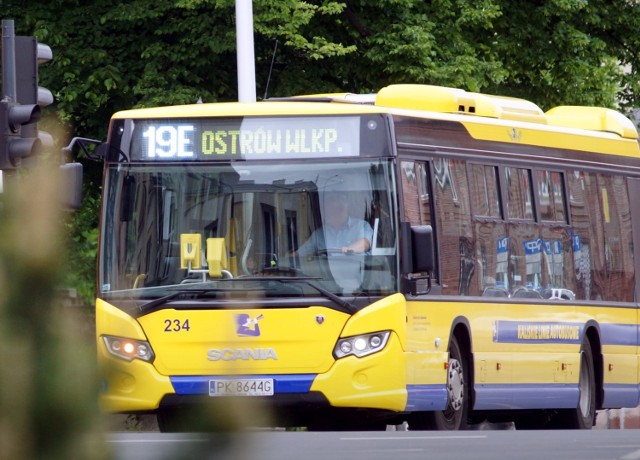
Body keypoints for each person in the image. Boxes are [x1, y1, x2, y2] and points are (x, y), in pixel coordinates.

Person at [295, 193, 373, 256]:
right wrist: (286, 259)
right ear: (325, 209)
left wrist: (349, 249)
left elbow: (365, 244)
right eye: (333, 204)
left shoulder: (361, 226)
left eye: (342, 201)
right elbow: (300, 254)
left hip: (357, 274)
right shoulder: (319, 234)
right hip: (325, 275)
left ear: (347, 207)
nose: (339, 206)